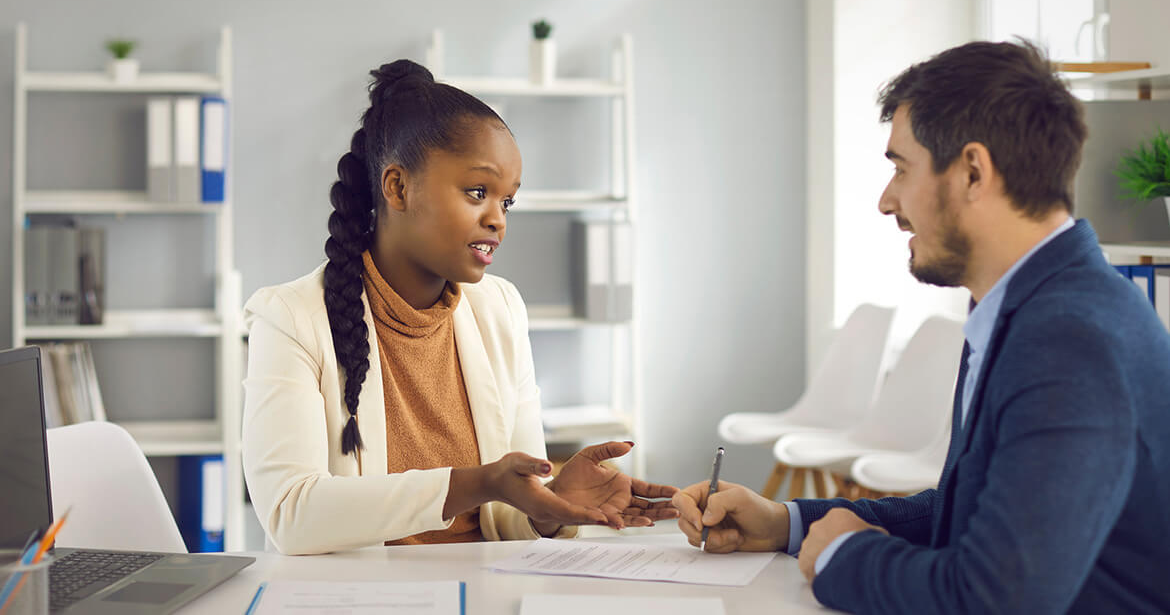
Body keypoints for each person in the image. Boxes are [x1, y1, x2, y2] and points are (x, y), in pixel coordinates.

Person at [673, 40, 1170, 613]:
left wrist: (842, 557)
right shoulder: (1028, 309)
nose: (888, 202)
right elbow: (970, 509)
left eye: (901, 169)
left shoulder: (1070, 340)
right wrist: (786, 523)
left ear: (973, 172)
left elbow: (996, 599)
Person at [243, 59, 677, 555]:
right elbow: (291, 514)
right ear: (398, 187)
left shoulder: (500, 309)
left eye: (507, 201)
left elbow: (507, 520)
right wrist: (479, 482)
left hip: (488, 589)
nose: (497, 220)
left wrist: (550, 505)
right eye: (477, 192)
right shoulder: (290, 318)